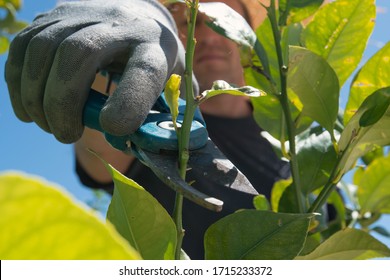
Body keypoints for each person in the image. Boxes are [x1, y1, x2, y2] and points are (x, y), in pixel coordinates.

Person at [5, 0, 289, 259]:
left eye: (220, 24)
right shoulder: (145, 109)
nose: (207, 37)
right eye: (187, 25)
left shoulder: (294, 145)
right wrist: (113, 31)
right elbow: (99, 146)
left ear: (248, 40)